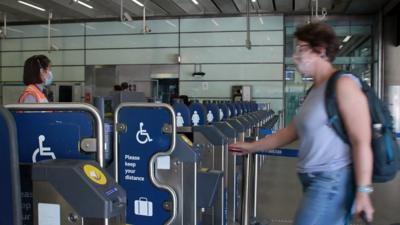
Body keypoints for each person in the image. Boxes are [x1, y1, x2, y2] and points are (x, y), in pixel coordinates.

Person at [229, 22, 374, 225]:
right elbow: (290, 131)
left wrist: (363, 191)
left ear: (321, 51)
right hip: (313, 180)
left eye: (302, 49)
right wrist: (252, 147)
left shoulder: (344, 84)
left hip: (332, 180)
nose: (296, 55)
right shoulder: (314, 90)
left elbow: (362, 141)